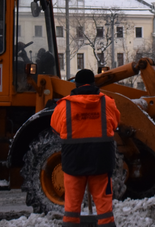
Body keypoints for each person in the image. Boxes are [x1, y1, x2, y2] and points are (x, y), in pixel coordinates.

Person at [51, 69, 121, 226]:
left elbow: (55, 128)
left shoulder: (63, 106)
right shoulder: (108, 102)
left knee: (71, 208)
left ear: (76, 84)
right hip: (101, 161)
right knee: (104, 208)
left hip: (73, 162)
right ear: (94, 83)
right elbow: (115, 124)